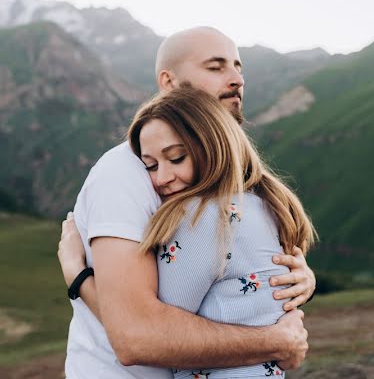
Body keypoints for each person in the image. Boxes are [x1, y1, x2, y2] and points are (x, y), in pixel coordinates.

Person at [58, 27, 316, 378]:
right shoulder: (123, 173)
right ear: (169, 81)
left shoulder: (220, 191)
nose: (237, 79)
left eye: (239, 67)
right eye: (216, 67)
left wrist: (298, 282)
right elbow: (135, 334)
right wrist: (274, 340)